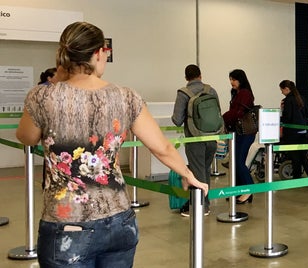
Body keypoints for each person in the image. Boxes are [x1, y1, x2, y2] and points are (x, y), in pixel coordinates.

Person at [15, 21, 208, 267]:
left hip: (66, 224)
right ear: (98, 53)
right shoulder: (126, 96)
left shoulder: (42, 96)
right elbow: (162, 147)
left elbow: (27, 137)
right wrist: (188, 174)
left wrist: (58, 80)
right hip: (119, 221)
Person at [171, 64, 220, 216]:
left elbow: (177, 120)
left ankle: (201, 206)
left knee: (198, 172)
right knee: (204, 170)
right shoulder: (211, 90)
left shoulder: (183, 93)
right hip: (212, 137)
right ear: (200, 75)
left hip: (195, 140)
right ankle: (203, 202)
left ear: (186, 77)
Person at [222, 69, 256, 204]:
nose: (231, 82)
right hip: (237, 132)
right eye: (230, 79)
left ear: (240, 79)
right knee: (235, 163)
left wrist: (223, 117)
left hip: (245, 133)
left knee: (238, 162)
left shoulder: (245, 94)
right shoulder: (237, 93)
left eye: (234, 79)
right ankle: (238, 191)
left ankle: (248, 190)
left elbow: (238, 113)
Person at [279, 80, 308, 179]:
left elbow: (287, 117)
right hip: (303, 131)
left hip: (292, 133)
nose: (281, 92)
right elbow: (307, 114)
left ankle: (297, 176)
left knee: (296, 156)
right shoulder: (301, 98)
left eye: (282, 90)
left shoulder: (288, 100)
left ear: (286, 89)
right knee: (301, 156)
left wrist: (281, 115)